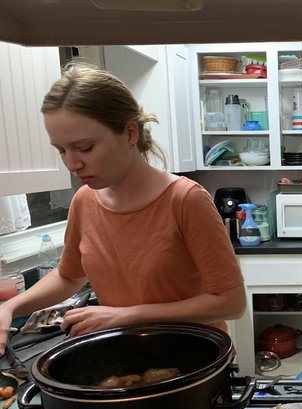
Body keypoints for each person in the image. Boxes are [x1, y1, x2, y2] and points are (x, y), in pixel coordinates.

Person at [0, 63, 246, 355]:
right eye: (62, 150)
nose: (71, 163)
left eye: (85, 147)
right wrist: (11, 307)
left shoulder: (185, 200)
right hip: (125, 355)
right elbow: (69, 276)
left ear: (130, 133)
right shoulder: (84, 201)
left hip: (195, 362)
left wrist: (123, 316)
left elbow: (231, 302)